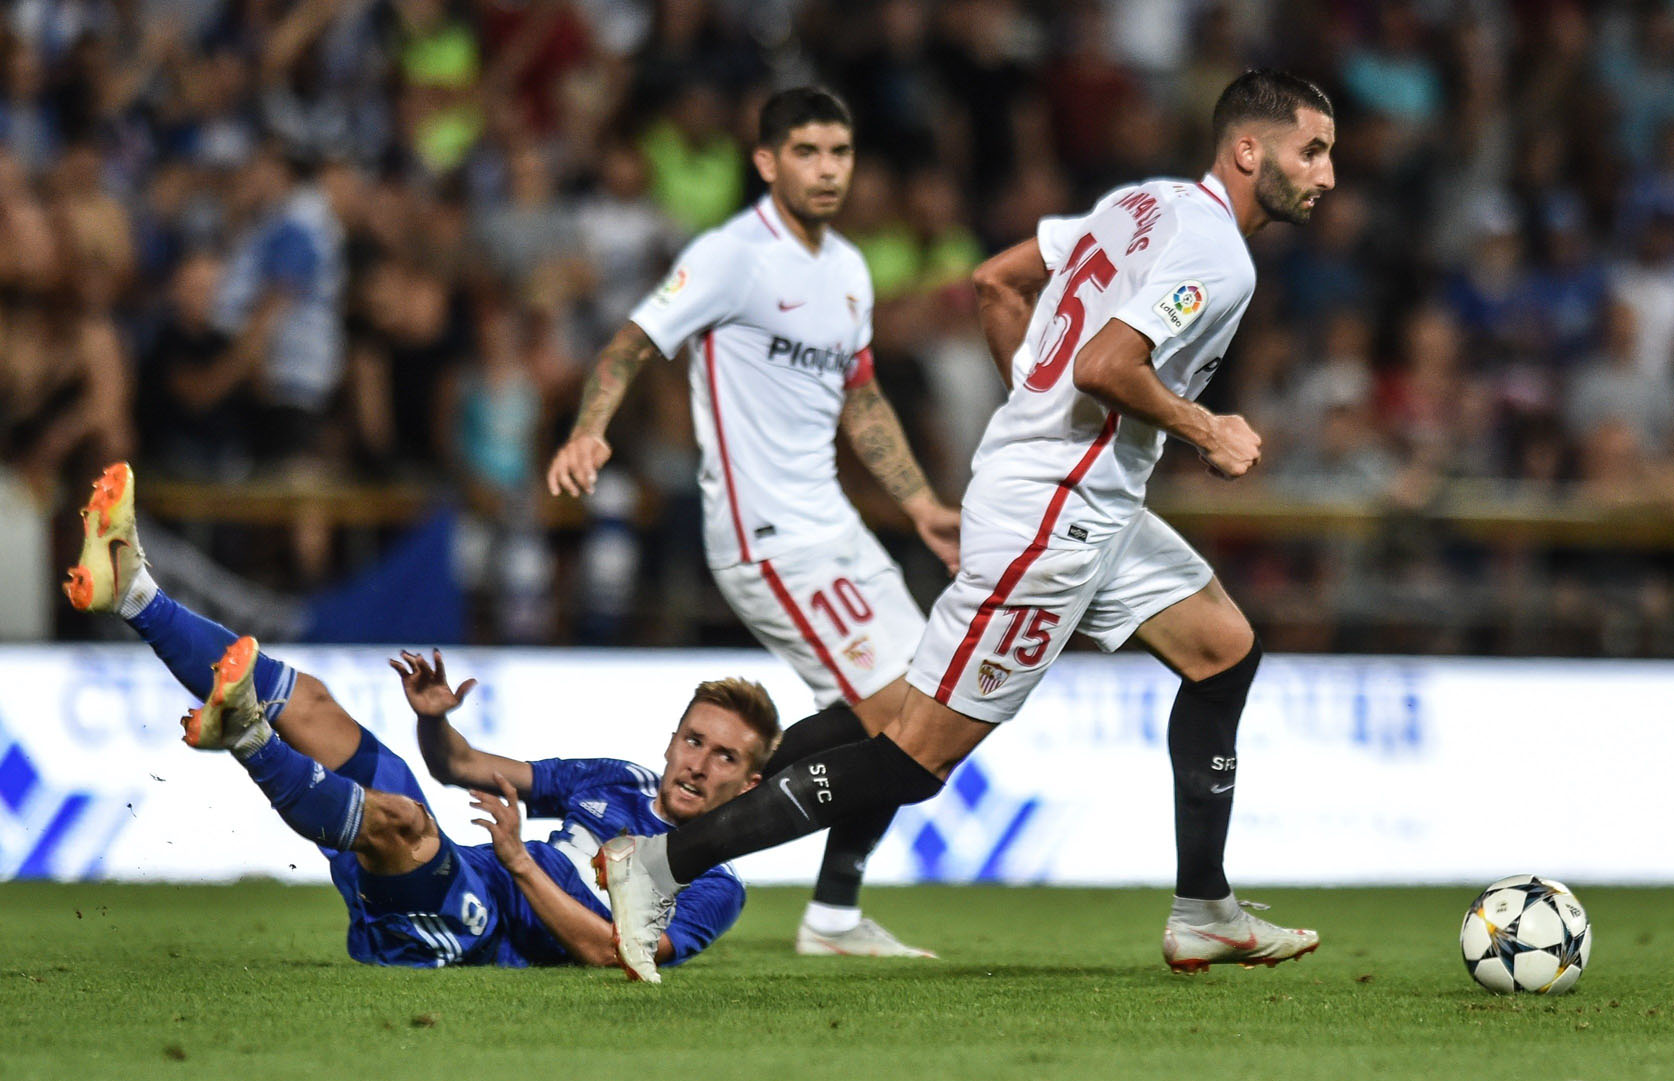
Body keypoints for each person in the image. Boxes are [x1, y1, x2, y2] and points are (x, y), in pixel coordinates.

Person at [593, 70, 1338, 982]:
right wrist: (1205, 426)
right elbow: (1107, 365)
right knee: (911, 756)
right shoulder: (1219, 255)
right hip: (1055, 513)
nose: (1327, 174)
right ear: (1248, 149)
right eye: (1313, 149)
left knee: (1223, 648)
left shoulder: (1144, 205)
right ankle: (659, 863)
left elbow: (996, 281)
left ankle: (1204, 908)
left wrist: (1033, 396)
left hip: (1085, 498)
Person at [63, 462, 778, 977]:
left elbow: (614, 952)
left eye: (724, 758)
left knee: (404, 821)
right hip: (465, 873)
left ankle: (245, 736)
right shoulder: (619, 780)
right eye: (694, 740)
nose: (698, 762)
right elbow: (460, 768)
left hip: (473, 928)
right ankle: (135, 594)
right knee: (312, 703)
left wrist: (522, 863)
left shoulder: (714, 884)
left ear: (748, 786)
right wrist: (435, 724)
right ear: (671, 739)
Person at [546, 87, 958, 957]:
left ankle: (831, 911)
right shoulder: (733, 258)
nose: (827, 170)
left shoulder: (846, 269)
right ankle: (663, 859)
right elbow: (627, 344)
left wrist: (920, 503)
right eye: (806, 152)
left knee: (929, 720)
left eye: (840, 153)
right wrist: (589, 431)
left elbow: (862, 394)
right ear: (768, 162)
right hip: (767, 539)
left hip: (837, 529)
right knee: (902, 728)